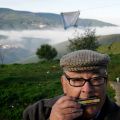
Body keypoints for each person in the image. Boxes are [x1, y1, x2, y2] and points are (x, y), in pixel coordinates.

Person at [23, 49, 120, 120]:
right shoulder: (36, 113)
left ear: (106, 82)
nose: (87, 90)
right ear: (64, 84)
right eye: (77, 80)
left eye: (96, 79)